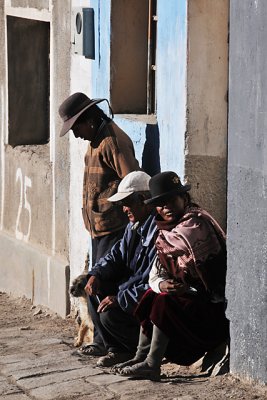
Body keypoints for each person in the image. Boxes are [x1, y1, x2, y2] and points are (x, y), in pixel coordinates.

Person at [113, 171, 229, 381]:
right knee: (151, 296)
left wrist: (184, 289)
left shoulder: (195, 225)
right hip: (187, 301)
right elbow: (155, 275)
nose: (166, 207)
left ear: (184, 199)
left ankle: (152, 363)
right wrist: (163, 284)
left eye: (171, 200)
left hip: (210, 306)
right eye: (160, 203)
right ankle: (141, 356)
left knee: (164, 303)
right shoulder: (163, 233)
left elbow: (212, 281)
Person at [78, 171, 157, 368]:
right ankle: (115, 348)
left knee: (109, 313)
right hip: (131, 290)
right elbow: (115, 255)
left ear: (142, 200)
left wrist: (120, 298)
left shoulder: (158, 230)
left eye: (127, 203)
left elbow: (150, 281)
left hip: (144, 299)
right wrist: (96, 274)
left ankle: (128, 349)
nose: (123, 209)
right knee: (95, 290)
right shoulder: (133, 227)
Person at [58, 92, 140, 265]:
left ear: (89, 121)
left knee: (105, 284)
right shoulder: (96, 139)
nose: (76, 135)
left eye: (76, 129)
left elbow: (133, 183)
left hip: (115, 230)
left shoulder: (111, 142)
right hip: (101, 229)